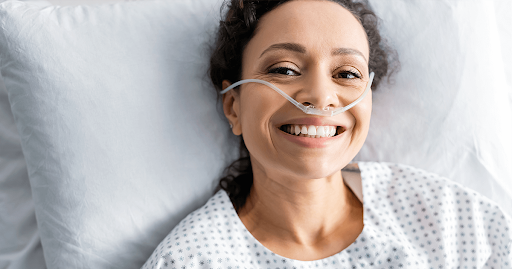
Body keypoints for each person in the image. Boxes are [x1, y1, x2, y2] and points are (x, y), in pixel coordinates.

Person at [142, 0, 512, 268]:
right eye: (285, 69)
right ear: (234, 107)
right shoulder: (190, 259)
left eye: (347, 74)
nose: (320, 96)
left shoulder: (454, 224)